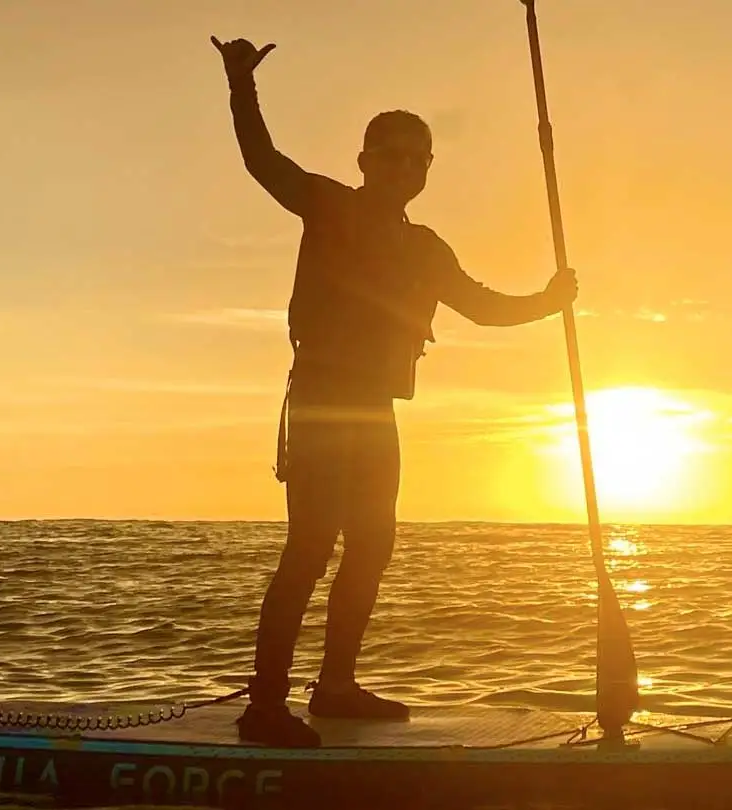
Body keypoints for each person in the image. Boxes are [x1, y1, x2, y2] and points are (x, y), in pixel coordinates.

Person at [212, 36, 579, 748]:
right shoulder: (326, 204)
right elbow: (263, 162)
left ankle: (338, 686)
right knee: (310, 548)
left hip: (376, 409)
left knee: (374, 543)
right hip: (321, 399)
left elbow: (481, 305)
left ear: (428, 169)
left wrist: (549, 300)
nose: (405, 167)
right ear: (365, 161)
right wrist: (241, 88)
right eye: (392, 154)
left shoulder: (426, 247)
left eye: (418, 158)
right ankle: (265, 706)